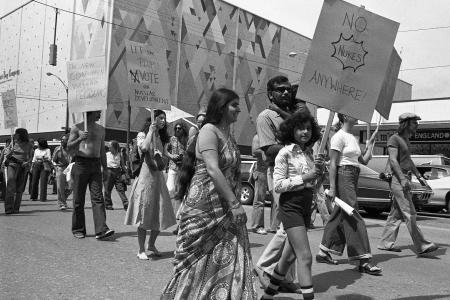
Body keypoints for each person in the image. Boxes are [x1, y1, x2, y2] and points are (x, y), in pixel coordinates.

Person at [161, 88, 257, 299]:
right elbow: (213, 169)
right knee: (197, 258)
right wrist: (235, 203)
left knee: (229, 255)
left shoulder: (229, 136)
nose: (239, 110)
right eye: (234, 105)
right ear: (221, 108)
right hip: (205, 206)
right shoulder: (208, 131)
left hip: (225, 209)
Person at [261, 111, 322, 300]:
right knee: (305, 256)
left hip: (305, 206)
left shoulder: (310, 153)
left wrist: (320, 174)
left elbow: (314, 184)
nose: (305, 132)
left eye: (309, 128)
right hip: (291, 206)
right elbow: (278, 185)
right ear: (291, 130)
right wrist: (305, 177)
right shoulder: (284, 153)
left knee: (288, 257)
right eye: (300, 128)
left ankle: (267, 296)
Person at [317, 113, 382, 275]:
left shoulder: (352, 137)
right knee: (353, 213)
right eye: (353, 113)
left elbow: (364, 160)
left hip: (353, 175)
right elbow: (333, 163)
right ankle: (363, 259)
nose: (357, 114)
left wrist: (371, 142)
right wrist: (332, 187)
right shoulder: (338, 137)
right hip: (343, 174)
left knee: (340, 213)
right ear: (345, 117)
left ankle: (324, 251)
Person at [254, 75, 299, 293]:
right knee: (290, 226)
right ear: (270, 94)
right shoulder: (266, 117)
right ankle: (265, 267)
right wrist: (294, 142)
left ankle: (284, 276)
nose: (285, 93)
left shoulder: (293, 114)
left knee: (294, 228)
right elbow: (268, 149)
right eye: (280, 90)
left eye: (288, 90)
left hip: (301, 173)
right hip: (281, 173)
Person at [377, 113, 439, 255]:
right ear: (406, 124)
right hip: (399, 179)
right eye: (414, 122)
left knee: (396, 214)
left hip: (405, 177)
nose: (417, 125)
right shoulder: (394, 139)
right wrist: (402, 179)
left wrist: (419, 175)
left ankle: (385, 243)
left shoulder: (405, 140)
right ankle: (422, 245)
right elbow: (393, 160)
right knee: (410, 213)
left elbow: (408, 161)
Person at [125, 110, 176, 260]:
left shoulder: (163, 137)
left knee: (160, 213)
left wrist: (168, 156)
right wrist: (150, 132)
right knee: (144, 212)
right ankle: (141, 249)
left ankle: (151, 244)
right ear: (153, 120)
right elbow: (144, 148)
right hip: (146, 178)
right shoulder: (142, 134)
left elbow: (166, 154)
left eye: (164, 119)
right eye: (161, 118)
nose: (163, 120)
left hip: (159, 177)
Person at [67, 110, 114, 240]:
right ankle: (78, 229)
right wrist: (79, 138)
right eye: (97, 112)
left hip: (96, 165)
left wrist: (105, 168)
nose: (100, 114)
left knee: (98, 198)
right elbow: (69, 148)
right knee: (78, 199)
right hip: (81, 164)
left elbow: (102, 151)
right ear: (90, 112)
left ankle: (101, 229)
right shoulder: (77, 128)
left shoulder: (101, 129)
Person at [3, 129, 33, 214]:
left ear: (21, 135)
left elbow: (31, 157)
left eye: (16, 133)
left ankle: (16, 208)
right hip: (12, 165)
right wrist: (9, 152)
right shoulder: (12, 143)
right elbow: (7, 155)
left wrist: (28, 163)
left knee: (19, 189)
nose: (15, 135)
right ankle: (9, 208)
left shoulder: (29, 145)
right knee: (10, 186)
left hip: (23, 167)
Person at [165, 121, 188, 204]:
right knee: (170, 188)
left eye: (179, 128)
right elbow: (165, 151)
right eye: (176, 128)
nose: (177, 130)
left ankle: (177, 212)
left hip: (183, 168)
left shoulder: (187, 140)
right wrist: (172, 156)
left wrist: (184, 157)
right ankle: (166, 206)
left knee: (180, 191)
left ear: (183, 129)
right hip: (173, 166)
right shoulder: (172, 139)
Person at [250, 134, 268, 235]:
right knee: (259, 199)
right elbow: (253, 152)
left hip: (272, 170)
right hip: (261, 171)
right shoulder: (258, 136)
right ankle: (257, 226)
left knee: (276, 200)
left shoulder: (272, 136)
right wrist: (265, 151)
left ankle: (275, 226)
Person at [103, 140, 129, 210]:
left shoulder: (119, 155)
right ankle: (108, 204)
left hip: (118, 172)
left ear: (114, 147)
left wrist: (127, 174)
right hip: (108, 172)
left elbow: (123, 165)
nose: (109, 148)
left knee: (120, 188)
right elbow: (102, 164)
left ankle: (126, 203)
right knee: (107, 189)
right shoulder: (107, 154)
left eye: (110, 146)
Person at [52, 135, 71, 210]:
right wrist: (55, 167)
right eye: (62, 140)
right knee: (60, 187)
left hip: (69, 168)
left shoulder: (71, 149)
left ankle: (64, 198)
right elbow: (53, 159)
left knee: (71, 186)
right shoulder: (57, 148)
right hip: (60, 168)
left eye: (64, 140)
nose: (62, 141)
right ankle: (62, 203)